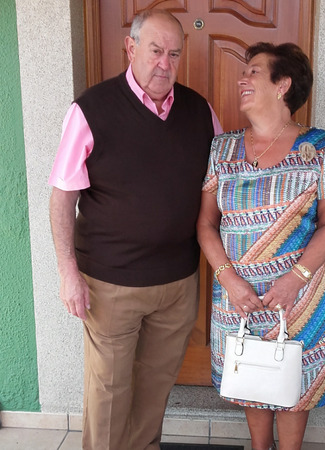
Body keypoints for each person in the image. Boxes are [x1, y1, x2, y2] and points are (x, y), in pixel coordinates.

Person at [49, 9, 222, 450]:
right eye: (155, 51)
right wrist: (68, 273)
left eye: (174, 54)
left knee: (155, 388)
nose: (164, 64)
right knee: (108, 392)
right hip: (110, 283)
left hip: (177, 283)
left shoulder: (200, 111)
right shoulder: (91, 109)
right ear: (131, 47)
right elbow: (62, 196)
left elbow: (221, 182)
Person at [197, 42, 325, 450]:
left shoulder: (321, 147)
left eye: (254, 72)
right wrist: (229, 281)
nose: (242, 79)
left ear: (283, 85)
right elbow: (206, 224)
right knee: (252, 374)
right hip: (238, 294)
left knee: (293, 380)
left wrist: (294, 280)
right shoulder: (222, 149)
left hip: (299, 294)